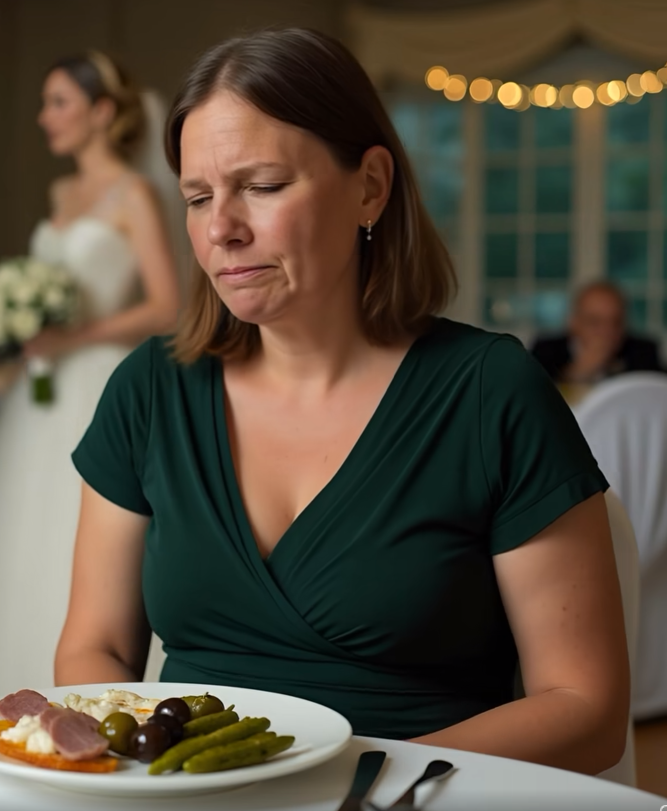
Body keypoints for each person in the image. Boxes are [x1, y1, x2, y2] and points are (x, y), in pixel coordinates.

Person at [55, 29, 628, 775]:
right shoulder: (148, 390)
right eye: (198, 197)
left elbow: (586, 709)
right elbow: (92, 647)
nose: (222, 228)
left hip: (412, 797)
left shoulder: (490, 392)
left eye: (261, 186)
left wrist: (335, 775)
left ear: (370, 185)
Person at [0, 51, 180, 694]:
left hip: (96, 378)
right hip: (40, 391)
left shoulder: (132, 193)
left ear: (101, 112)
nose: (45, 117)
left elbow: (167, 304)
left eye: (59, 103)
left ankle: (92, 691)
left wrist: (75, 336)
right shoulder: (59, 194)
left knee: (84, 537)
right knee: (23, 530)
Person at [531, 281, 663, 386]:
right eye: (595, 322)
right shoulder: (545, 350)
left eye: (616, 322)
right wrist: (578, 373)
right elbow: (535, 401)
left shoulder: (644, 352)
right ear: (573, 322)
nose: (607, 331)